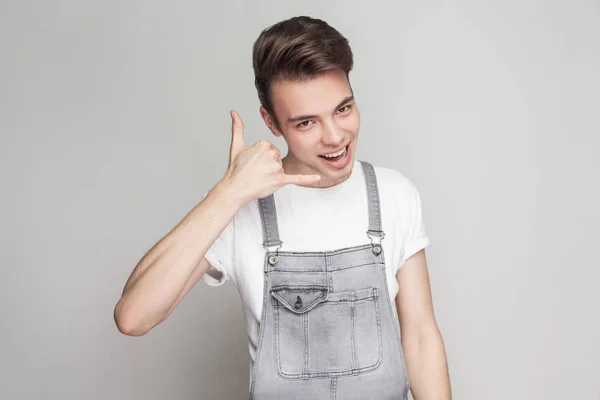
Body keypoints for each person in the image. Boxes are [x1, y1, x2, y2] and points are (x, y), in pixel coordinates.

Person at [114, 15, 451, 399]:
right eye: (306, 123)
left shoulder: (394, 194)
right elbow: (133, 317)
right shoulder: (241, 210)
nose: (335, 136)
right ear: (271, 123)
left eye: (343, 109)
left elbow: (422, 337)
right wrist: (227, 193)